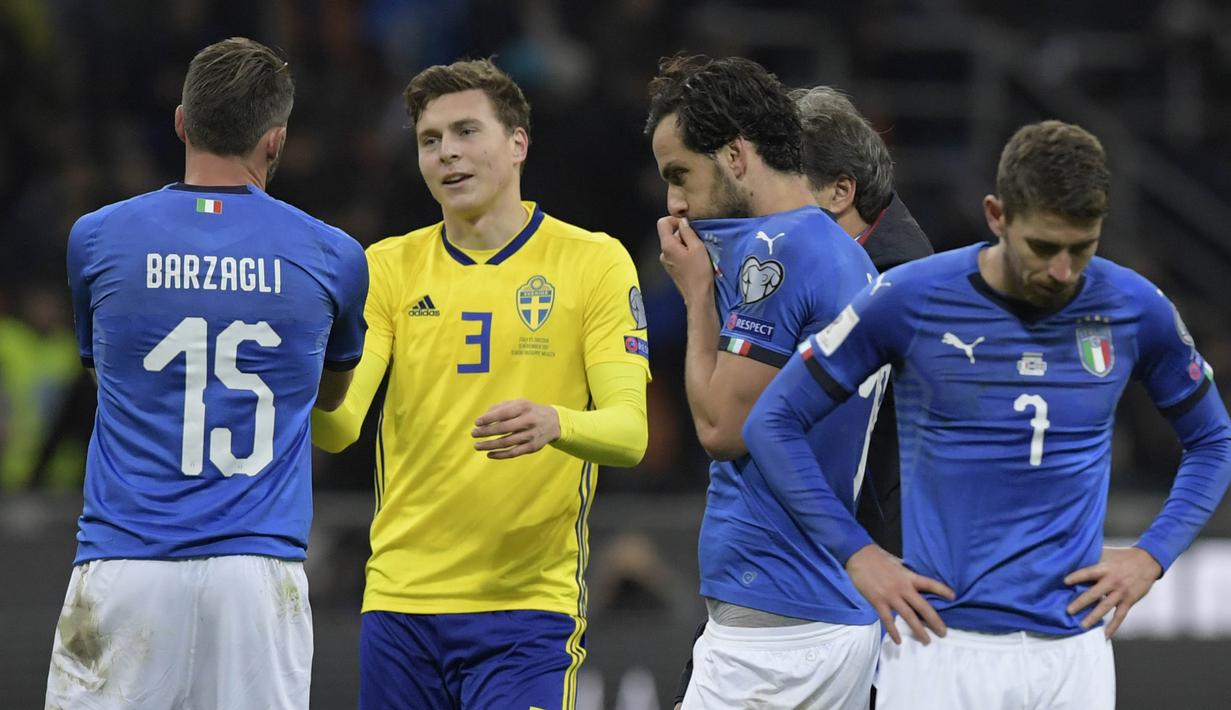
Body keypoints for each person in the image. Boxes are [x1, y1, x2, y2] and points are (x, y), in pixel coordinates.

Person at [745, 120, 1231, 709]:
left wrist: (1153, 555)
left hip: (1074, 655)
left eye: (1083, 248)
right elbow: (772, 422)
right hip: (938, 647)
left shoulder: (1134, 308)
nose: (1062, 271)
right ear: (997, 215)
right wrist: (858, 553)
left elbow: (1214, 441)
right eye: (1044, 248)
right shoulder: (909, 297)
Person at [310, 58, 651, 710]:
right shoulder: (386, 268)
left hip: (525, 610)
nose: (447, 154)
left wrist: (558, 423)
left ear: (518, 142)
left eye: (466, 132)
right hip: (400, 605)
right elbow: (340, 427)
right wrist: (298, 376)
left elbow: (629, 433)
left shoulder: (592, 262)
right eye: (430, 141)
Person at [47, 37, 368, 709]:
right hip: (257, 579)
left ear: (181, 122)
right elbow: (327, 399)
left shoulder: (97, 238)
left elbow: (108, 376)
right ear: (275, 141)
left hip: (126, 562)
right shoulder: (334, 257)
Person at [670, 84, 936, 709]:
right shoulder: (860, 264)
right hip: (827, 584)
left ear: (839, 192)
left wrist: (699, 299)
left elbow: (731, 428)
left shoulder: (887, 280)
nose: (760, 216)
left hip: (853, 581)